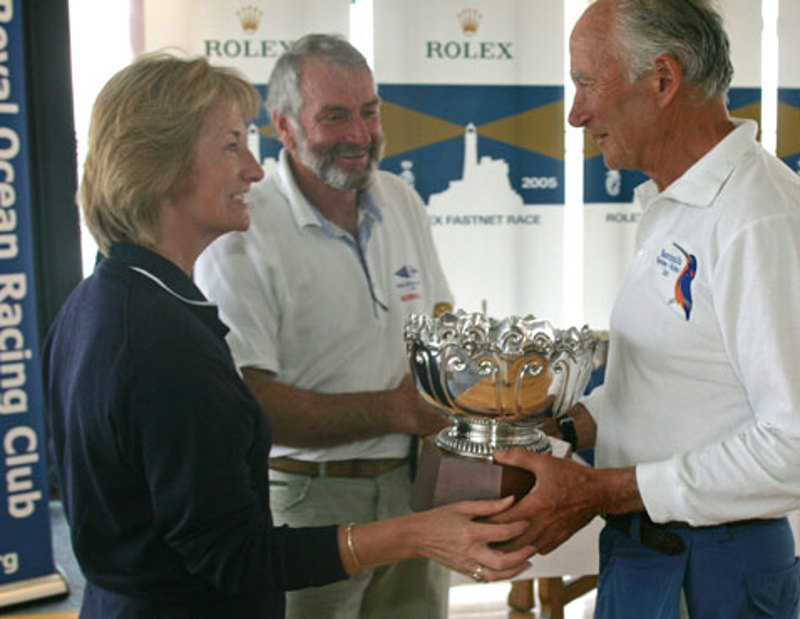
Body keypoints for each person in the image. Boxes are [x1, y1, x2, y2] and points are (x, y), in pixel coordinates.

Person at [42, 52, 535, 619]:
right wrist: (417, 534)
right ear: (163, 164)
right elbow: (234, 556)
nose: (253, 170)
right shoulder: (159, 337)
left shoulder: (99, 303)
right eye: (231, 146)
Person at [491, 1, 800, 617]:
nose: (576, 114)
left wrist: (603, 489)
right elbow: (682, 385)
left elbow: (793, 445)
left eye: (585, 82)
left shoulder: (758, 219)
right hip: (650, 553)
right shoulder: (679, 204)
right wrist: (565, 426)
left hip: (712, 569)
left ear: (662, 79)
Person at [194, 35, 457, 618]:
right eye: (335, 116)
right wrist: (397, 410)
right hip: (305, 502)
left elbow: (441, 321)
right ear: (284, 127)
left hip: (415, 488)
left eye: (369, 112)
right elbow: (247, 406)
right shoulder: (242, 226)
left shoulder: (402, 200)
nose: (360, 135)